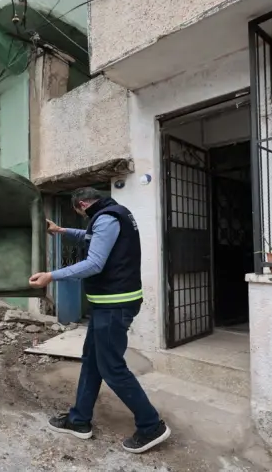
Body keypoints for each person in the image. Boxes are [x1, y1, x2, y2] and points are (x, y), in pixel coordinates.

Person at [28, 187, 171, 454]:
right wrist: (61, 231)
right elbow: (92, 237)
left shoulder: (106, 218)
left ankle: (151, 425)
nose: (83, 218)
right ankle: (79, 420)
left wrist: (51, 276)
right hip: (108, 304)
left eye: (79, 213)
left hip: (114, 306)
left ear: (82, 204)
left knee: (112, 368)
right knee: (92, 361)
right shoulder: (114, 214)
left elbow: (94, 263)